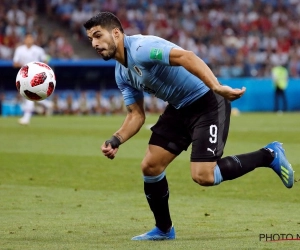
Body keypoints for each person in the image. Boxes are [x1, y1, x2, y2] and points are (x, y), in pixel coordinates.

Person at [83, 12, 294, 241]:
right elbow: (136, 115)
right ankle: (164, 229)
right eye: (90, 39)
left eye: (98, 35)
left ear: (116, 33)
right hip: (179, 108)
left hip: (208, 101)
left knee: (204, 176)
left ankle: (269, 154)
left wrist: (217, 87)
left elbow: (187, 56)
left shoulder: (142, 48)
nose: (94, 43)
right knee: (151, 166)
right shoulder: (121, 73)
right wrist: (116, 139)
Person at [13, 32, 48, 125]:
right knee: (28, 96)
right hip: (23, 75)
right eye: (27, 38)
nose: (29, 40)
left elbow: (45, 60)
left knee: (29, 95)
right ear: (24, 40)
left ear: (33, 40)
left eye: (30, 38)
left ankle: (26, 118)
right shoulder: (19, 50)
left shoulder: (38, 50)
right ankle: (47, 104)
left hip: (35, 75)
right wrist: (26, 66)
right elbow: (15, 63)